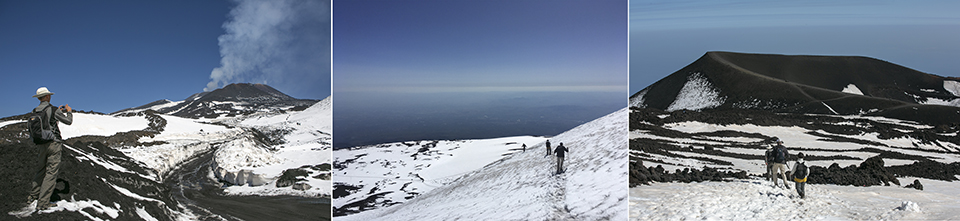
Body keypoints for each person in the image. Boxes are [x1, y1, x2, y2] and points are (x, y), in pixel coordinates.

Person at [27, 87, 73, 211]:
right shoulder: (52, 110)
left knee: (40, 169)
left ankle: (33, 196)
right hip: (53, 143)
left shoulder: (35, 110)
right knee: (51, 172)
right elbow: (68, 121)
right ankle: (43, 202)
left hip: (41, 144)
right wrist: (68, 111)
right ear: (47, 96)